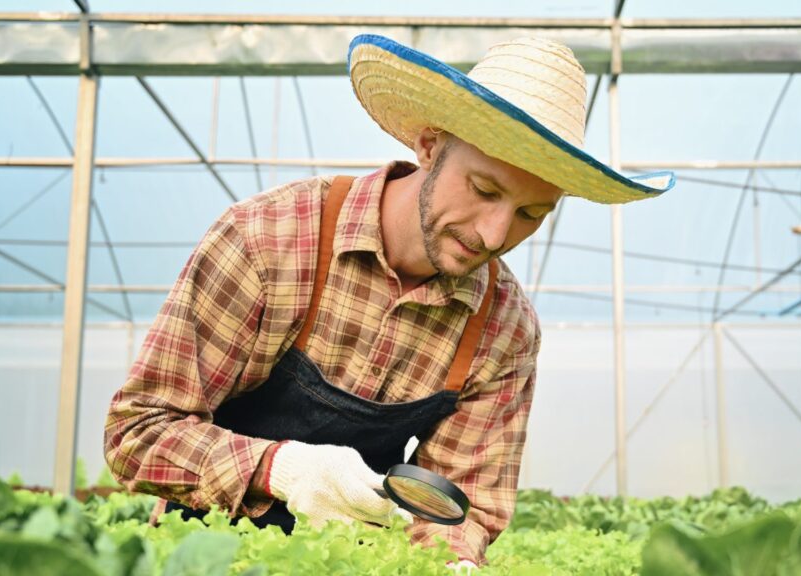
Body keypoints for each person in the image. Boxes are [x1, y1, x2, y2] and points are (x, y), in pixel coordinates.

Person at [103, 34, 674, 567]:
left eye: (531, 214)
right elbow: (138, 432)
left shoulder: (505, 330)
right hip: (207, 556)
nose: (496, 235)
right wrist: (282, 469)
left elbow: (459, 505)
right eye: (484, 190)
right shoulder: (270, 240)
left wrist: (453, 560)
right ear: (430, 146)